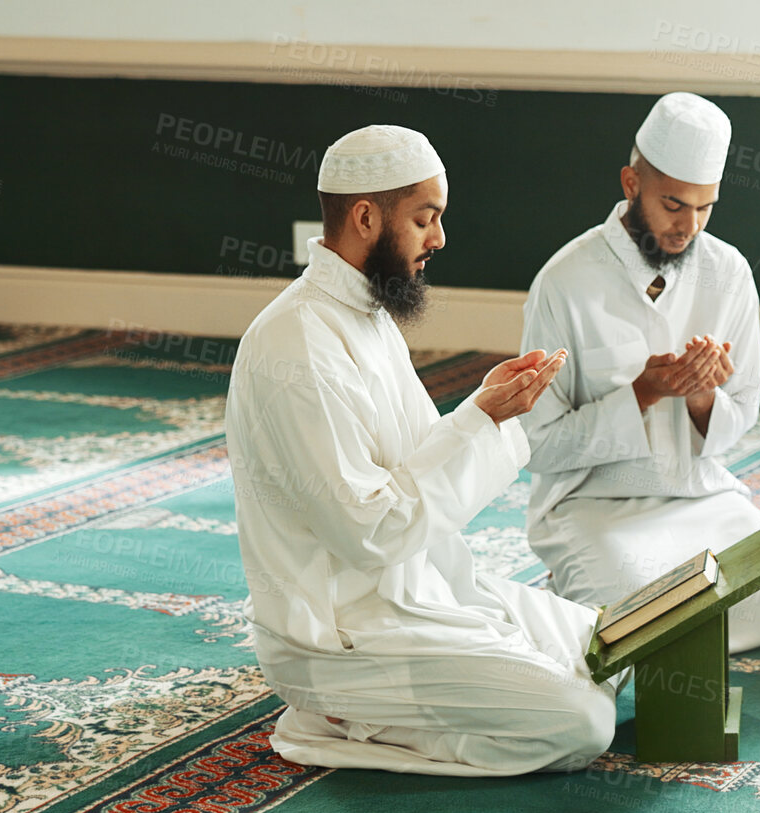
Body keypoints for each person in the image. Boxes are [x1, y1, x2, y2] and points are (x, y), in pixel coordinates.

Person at [226, 124, 617, 776]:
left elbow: (415, 461)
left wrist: (484, 411)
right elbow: (371, 531)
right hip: (337, 637)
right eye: (424, 219)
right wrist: (475, 423)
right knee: (581, 721)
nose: (438, 239)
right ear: (364, 216)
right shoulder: (297, 345)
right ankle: (338, 722)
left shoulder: (365, 315)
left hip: (415, 589)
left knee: (606, 648)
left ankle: (429, 694)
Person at [520, 93, 760, 653]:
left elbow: (742, 411)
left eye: (705, 208)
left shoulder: (728, 272)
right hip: (593, 504)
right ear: (631, 183)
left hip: (698, 494)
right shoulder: (565, 281)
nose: (689, 226)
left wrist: (702, 398)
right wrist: (645, 393)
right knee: (640, 623)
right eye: (674, 205)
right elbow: (537, 446)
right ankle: (573, 585)